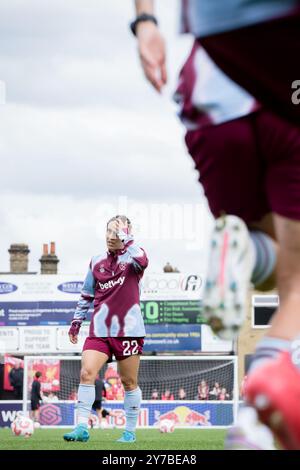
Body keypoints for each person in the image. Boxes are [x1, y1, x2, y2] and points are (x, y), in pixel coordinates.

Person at [132, 0, 300, 449]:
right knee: (298, 281)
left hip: (212, 89)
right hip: (287, 82)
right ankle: (255, 421)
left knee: (266, 249)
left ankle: (244, 250)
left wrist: (145, 23)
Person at [63, 215, 148, 444]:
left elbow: (144, 260)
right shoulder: (96, 261)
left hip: (128, 332)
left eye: (117, 232)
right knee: (86, 373)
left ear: (126, 235)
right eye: (109, 231)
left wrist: (127, 239)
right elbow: (87, 294)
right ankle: (81, 426)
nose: (111, 237)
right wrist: (76, 322)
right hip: (99, 331)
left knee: (129, 382)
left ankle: (129, 432)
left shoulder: (134, 259)